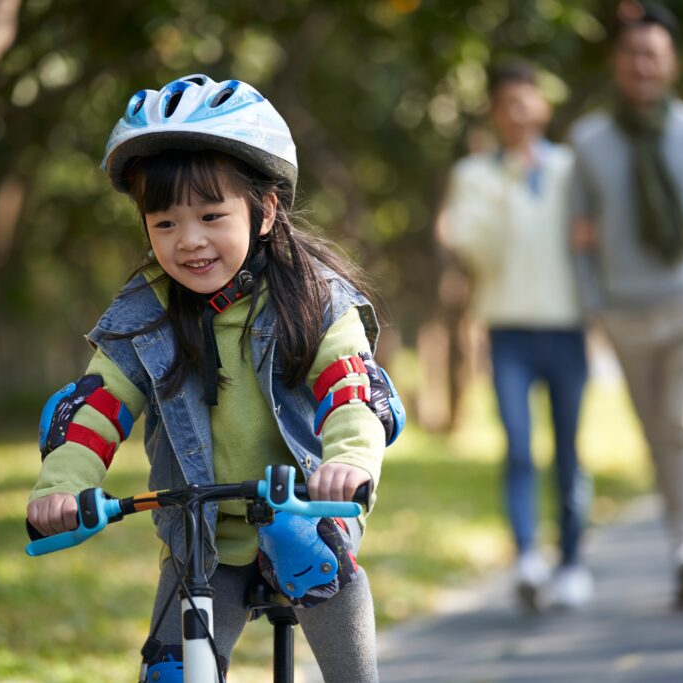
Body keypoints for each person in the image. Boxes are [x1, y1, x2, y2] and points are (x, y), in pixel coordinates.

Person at [27, 74, 403, 682]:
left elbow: (350, 392)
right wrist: (60, 487)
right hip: (202, 532)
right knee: (171, 672)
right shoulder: (145, 311)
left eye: (210, 215)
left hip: (305, 507)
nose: (190, 242)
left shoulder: (312, 297)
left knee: (303, 545)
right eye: (166, 223)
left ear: (265, 210)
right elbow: (97, 406)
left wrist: (350, 461)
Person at [568, 2, 683, 609]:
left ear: (671, 64)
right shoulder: (589, 141)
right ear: (618, 62)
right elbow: (578, 232)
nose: (643, 65)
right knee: (656, 436)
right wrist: (594, 306)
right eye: (633, 54)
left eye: (654, 55)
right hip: (625, 314)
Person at [440, 62, 592, 612]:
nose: (519, 111)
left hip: (569, 329)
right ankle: (528, 556)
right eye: (507, 102)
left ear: (544, 106)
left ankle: (572, 562)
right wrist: (508, 185)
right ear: (495, 113)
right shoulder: (474, 177)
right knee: (520, 448)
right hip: (507, 332)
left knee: (570, 450)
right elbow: (479, 253)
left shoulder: (574, 169)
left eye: (527, 99)